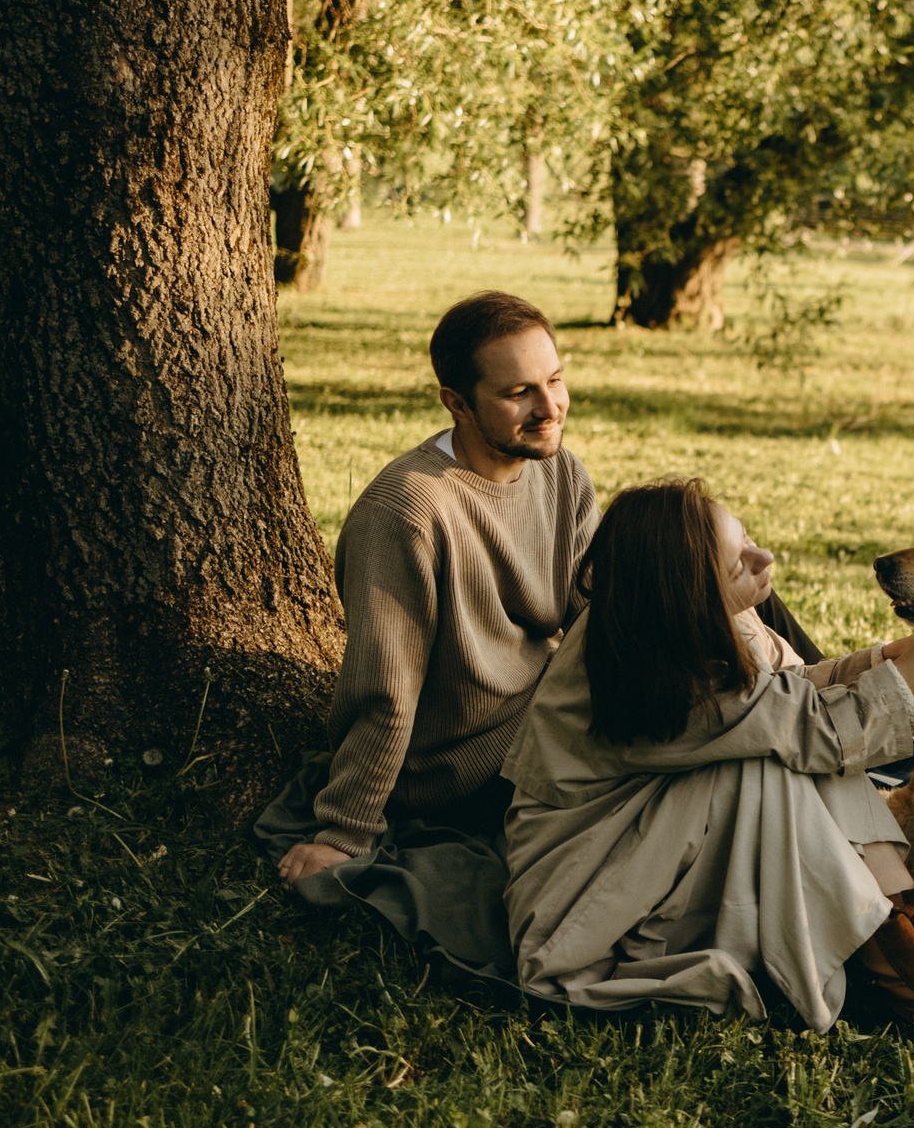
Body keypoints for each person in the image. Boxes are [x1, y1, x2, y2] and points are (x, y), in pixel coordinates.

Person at [251, 292, 830, 976]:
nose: (549, 406)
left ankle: (832, 711)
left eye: (555, 381)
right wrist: (345, 830)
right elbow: (386, 691)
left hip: (551, 717)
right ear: (457, 403)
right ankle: (829, 748)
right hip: (470, 768)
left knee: (725, 585)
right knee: (722, 742)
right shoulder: (408, 511)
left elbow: (598, 607)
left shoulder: (560, 473)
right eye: (519, 392)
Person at [500, 481, 914, 1036]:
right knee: (776, 764)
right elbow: (819, 728)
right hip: (594, 890)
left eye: (749, 538)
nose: (765, 558)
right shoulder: (660, 663)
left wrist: (886, 655)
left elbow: (794, 686)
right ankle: (898, 968)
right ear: (686, 589)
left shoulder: (695, 614)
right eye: (738, 562)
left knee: (790, 745)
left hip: (659, 845)